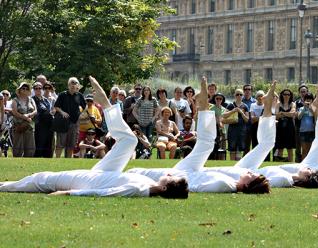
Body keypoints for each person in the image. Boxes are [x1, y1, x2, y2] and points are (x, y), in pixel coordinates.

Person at [0, 76, 189, 199]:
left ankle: (5, 186)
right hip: (108, 173)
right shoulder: (150, 184)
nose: (169, 174)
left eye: (170, 179)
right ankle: (106, 104)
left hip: (93, 180)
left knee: (41, 179)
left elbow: (102, 193)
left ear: (164, 189)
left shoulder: (138, 190)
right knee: (130, 140)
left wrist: (67, 193)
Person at [129, 77, 270, 194]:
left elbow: (195, 187)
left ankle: (203, 104)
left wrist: (174, 181)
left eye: (251, 177)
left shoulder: (224, 185)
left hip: (184, 173)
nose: (251, 173)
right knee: (207, 143)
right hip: (190, 170)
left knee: (207, 143)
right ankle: (203, 104)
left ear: (246, 185)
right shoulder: (229, 183)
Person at [54, 77, 86, 158]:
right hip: (63, 123)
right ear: (68, 85)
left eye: (75, 83)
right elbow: (56, 106)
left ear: (77, 85)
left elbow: (85, 107)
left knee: (71, 145)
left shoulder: (79, 95)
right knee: (60, 144)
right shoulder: (62, 95)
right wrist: (62, 112)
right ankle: (56, 161)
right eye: (72, 83)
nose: (73, 85)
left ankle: (67, 161)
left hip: (74, 123)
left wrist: (81, 113)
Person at [222, 88, 249, 160]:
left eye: (240, 94)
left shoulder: (245, 106)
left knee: (240, 149)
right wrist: (233, 110)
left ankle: (238, 166)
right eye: (237, 94)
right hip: (232, 130)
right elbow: (224, 115)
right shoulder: (231, 105)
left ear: (242, 96)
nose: (239, 96)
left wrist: (241, 112)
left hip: (242, 130)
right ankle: (232, 165)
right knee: (232, 149)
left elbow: (247, 120)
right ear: (235, 95)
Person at [11, 82, 37, 157]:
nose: (25, 89)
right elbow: (15, 112)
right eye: (23, 88)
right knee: (18, 145)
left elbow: (35, 111)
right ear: (19, 89)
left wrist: (28, 115)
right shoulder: (15, 100)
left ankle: (28, 160)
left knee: (30, 146)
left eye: (27, 88)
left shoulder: (31, 100)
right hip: (18, 125)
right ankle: (16, 160)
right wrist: (25, 117)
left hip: (29, 126)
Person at [32, 82, 54, 158]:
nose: (38, 90)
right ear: (34, 90)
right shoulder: (32, 99)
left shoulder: (46, 100)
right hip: (39, 125)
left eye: (40, 88)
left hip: (49, 125)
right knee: (39, 143)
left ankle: (47, 158)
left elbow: (49, 110)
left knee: (48, 143)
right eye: (36, 88)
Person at [275, 89, 296, 162]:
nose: (286, 96)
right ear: (282, 95)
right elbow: (276, 116)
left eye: (288, 94)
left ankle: (291, 164)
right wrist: (287, 114)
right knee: (280, 148)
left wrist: (282, 113)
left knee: (290, 149)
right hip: (280, 128)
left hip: (290, 128)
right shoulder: (278, 104)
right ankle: (279, 164)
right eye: (285, 94)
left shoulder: (293, 104)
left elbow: (292, 114)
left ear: (290, 96)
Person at [297, 92, 315, 160]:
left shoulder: (314, 108)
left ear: (312, 100)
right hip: (303, 131)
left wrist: (310, 108)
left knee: (310, 150)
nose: (308, 101)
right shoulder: (301, 108)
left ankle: (309, 164)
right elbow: (299, 117)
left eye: (310, 99)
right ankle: (303, 164)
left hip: (312, 131)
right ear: (304, 100)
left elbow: (315, 116)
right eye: (307, 99)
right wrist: (305, 108)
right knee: (304, 150)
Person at [209, 92, 227, 160]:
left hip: (223, 130)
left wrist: (219, 119)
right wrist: (219, 120)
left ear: (222, 100)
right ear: (214, 99)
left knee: (223, 148)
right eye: (217, 98)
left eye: (220, 99)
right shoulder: (211, 108)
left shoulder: (224, 109)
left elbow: (224, 119)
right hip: (214, 130)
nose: (219, 100)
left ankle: (222, 161)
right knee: (215, 147)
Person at [294, 84, 309, 162]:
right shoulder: (296, 103)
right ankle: (297, 161)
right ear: (299, 93)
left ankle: (306, 161)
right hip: (298, 125)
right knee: (298, 145)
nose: (303, 93)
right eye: (301, 92)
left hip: (309, 127)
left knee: (307, 145)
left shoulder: (311, 102)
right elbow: (295, 114)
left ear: (307, 92)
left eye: (304, 91)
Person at [242, 84, 256, 155]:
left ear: (251, 91)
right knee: (245, 146)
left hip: (253, 125)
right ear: (243, 91)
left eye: (249, 89)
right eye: (245, 89)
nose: (247, 91)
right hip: (243, 126)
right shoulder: (240, 100)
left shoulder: (255, 102)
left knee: (254, 144)